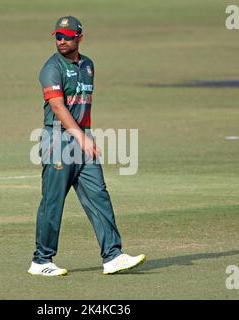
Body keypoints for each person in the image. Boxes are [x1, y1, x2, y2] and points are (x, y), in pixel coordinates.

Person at [28, 16, 146, 276]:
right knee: (53, 202)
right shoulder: (51, 68)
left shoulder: (89, 65)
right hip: (57, 140)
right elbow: (58, 107)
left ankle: (113, 256)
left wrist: (86, 135)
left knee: (99, 196)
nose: (61, 40)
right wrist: (81, 137)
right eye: (58, 36)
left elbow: (84, 105)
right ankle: (41, 260)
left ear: (79, 37)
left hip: (82, 139)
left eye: (67, 36)